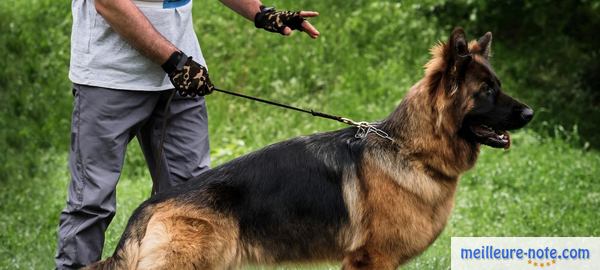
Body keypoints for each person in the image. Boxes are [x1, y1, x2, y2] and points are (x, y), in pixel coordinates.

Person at [55, 0, 320, 268]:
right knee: (91, 202)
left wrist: (262, 14)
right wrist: (172, 60)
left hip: (182, 78)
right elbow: (109, 4)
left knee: (195, 200)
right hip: (110, 77)